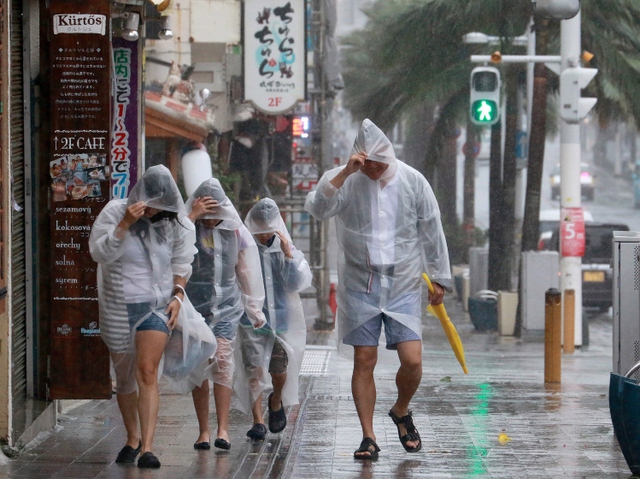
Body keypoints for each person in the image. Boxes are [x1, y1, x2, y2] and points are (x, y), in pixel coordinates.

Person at [304, 119, 452, 460]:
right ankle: (368, 436)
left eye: (377, 164)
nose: (371, 170)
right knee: (364, 359)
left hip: (403, 282)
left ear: (389, 158)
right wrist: (344, 172)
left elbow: (432, 228)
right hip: (360, 283)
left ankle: (401, 409)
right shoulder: (346, 180)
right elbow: (318, 208)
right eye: (365, 164)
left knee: (412, 360)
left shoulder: (413, 181)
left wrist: (440, 276)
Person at [89, 165, 197, 468]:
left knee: (148, 371)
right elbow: (100, 253)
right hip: (118, 307)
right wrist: (125, 223)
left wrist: (178, 294)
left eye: (160, 207)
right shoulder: (114, 212)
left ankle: (148, 448)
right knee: (124, 378)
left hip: (157, 307)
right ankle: (132, 438)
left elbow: (182, 262)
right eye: (150, 205)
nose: (152, 212)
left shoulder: (172, 223)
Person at [184, 178, 267, 451]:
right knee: (199, 365)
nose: (209, 222)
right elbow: (172, 244)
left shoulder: (235, 231)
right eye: (205, 216)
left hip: (227, 307)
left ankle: (222, 429)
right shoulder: (187, 226)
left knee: (222, 361)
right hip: (194, 307)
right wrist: (191, 216)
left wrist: (253, 305)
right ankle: (203, 431)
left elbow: (245, 268)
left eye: (214, 215)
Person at [234, 198, 311, 440]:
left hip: (281, 319)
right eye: (260, 229)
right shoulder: (243, 246)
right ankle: (257, 420)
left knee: (279, 369)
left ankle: (276, 399)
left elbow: (295, 284)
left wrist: (289, 256)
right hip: (251, 319)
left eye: (269, 229)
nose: (265, 235)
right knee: (254, 368)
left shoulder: (284, 247)